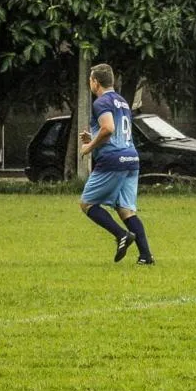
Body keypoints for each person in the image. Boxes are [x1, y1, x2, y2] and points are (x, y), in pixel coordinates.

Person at [78, 63, 154, 264]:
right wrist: (94, 135)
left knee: (87, 203)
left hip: (113, 160)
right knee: (126, 210)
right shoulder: (122, 101)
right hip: (131, 158)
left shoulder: (101, 102)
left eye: (90, 80)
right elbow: (116, 130)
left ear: (95, 82)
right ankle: (146, 256)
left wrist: (89, 147)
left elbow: (109, 129)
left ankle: (121, 235)